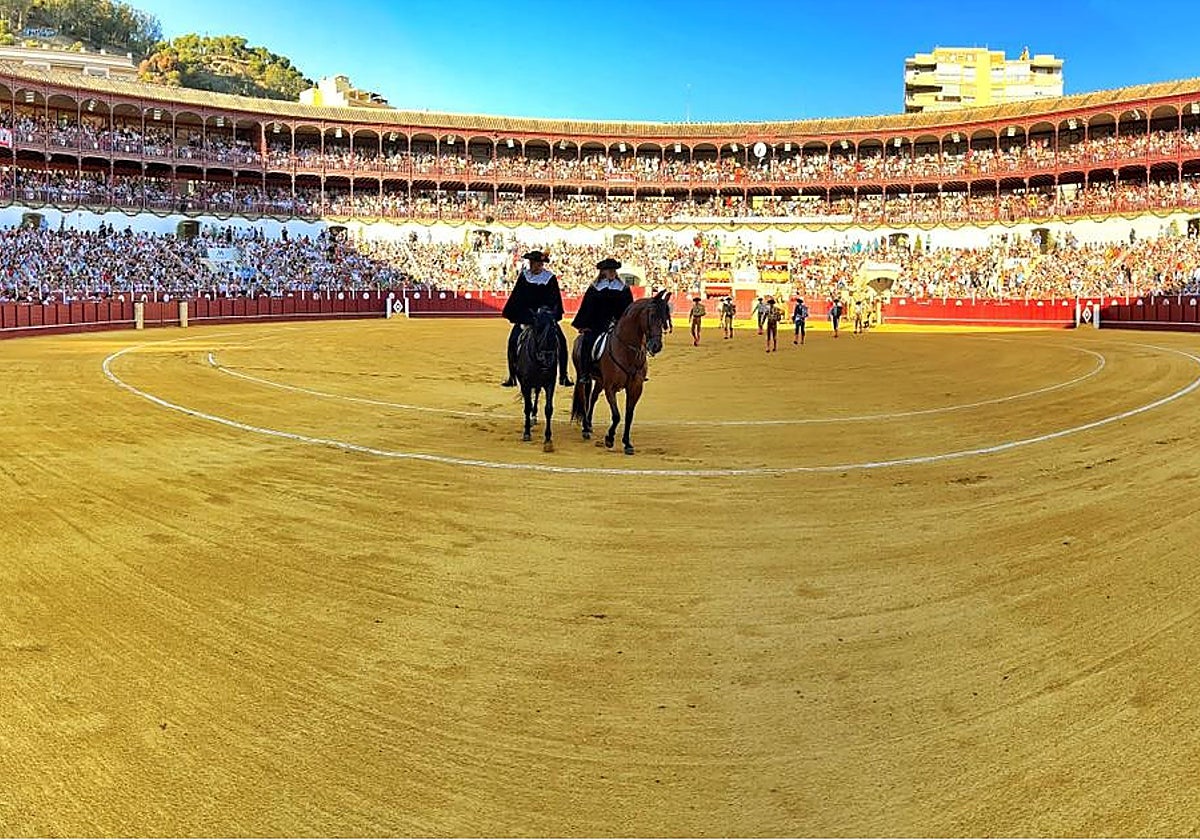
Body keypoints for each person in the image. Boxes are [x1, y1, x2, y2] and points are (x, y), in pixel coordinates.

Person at [500, 250, 572, 387]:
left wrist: (548, 313)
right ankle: (512, 376)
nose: (537, 266)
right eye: (535, 263)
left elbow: (555, 299)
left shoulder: (550, 278)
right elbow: (517, 298)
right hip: (527, 317)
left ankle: (563, 375)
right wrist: (523, 314)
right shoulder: (524, 276)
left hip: (545, 317)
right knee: (513, 341)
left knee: (561, 342)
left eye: (539, 264)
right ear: (530, 263)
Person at [571, 257, 634, 378]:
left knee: (633, 344)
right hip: (597, 325)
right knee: (587, 342)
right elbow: (587, 307)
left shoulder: (623, 288)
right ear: (602, 271)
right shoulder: (595, 288)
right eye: (609, 269)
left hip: (618, 325)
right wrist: (584, 325)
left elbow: (628, 309)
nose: (612, 272)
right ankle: (585, 372)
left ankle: (635, 370)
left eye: (614, 269)